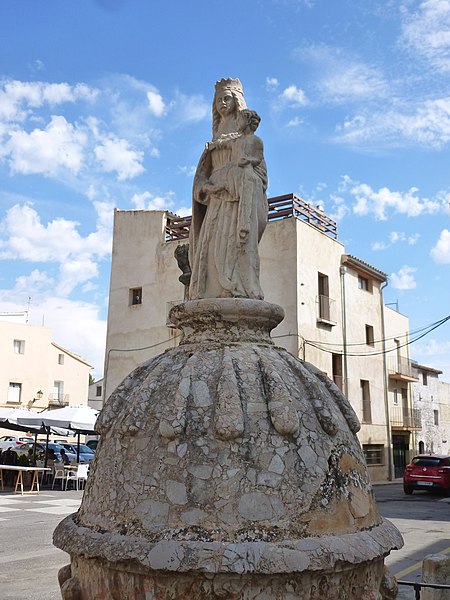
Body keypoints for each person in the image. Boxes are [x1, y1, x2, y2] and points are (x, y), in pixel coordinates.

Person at [188, 78, 268, 301]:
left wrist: (235, 178)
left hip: (237, 200)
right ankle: (213, 291)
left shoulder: (249, 139)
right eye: (218, 100)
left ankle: (239, 288)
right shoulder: (215, 136)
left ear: (237, 101)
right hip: (217, 200)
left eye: (227, 98)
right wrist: (203, 187)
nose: (222, 103)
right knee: (212, 252)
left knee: (234, 247)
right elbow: (204, 172)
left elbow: (257, 172)